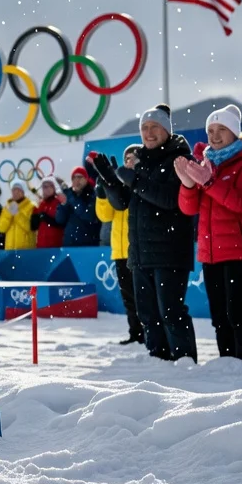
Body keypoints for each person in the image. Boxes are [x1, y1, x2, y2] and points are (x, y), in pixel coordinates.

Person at [94, 104, 197, 362]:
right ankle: (158, 360)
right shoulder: (141, 161)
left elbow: (169, 199)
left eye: (154, 127)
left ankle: (185, 363)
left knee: (171, 312)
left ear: (166, 129)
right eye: (144, 128)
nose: (148, 133)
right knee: (148, 314)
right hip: (140, 253)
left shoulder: (179, 158)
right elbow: (122, 204)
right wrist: (109, 182)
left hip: (170, 252)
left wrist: (134, 179)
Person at [177, 104, 242, 365]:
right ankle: (227, 364)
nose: (214, 136)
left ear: (235, 133)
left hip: (241, 250)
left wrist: (208, 182)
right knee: (219, 316)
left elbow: (241, 203)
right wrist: (188, 185)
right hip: (211, 251)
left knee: (238, 313)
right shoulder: (208, 165)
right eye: (211, 130)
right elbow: (188, 208)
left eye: (222, 130)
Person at [95, 146, 144, 346]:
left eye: (132, 158)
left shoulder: (140, 181)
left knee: (142, 296)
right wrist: (102, 193)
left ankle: (150, 334)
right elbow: (105, 216)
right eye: (126, 158)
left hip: (138, 250)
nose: (129, 161)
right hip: (120, 251)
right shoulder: (118, 183)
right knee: (129, 297)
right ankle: (136, 333)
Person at [61, 167, 102, 247]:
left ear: (86, 179)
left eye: (79, 177)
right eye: (74, 178)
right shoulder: (69, 195)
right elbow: (60, 219)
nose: (77, 180)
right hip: (69, 244)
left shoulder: (93, 195)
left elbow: (87, 215)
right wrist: (63, 204)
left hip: (88, 244)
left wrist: (72, 196)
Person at [0, 180, 36, 250]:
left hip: (26, 250)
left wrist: (17, 213)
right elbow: (1, 228)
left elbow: (29, 227)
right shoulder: (7, 207)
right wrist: (9, 214)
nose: (16, 193)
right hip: (10, 250)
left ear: (23, 192)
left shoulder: (31, 207)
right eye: (14, 190)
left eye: (19, 190)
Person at [30, 179, 68, 249]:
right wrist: (35, 214)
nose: (47, 189)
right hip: (42, 246)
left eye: (49, 186)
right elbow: (34, 226)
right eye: (44, 187)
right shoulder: (41, 204)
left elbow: (61, 222)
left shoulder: (58, 202)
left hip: (55, 245)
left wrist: (45, 217)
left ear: (54, 188)